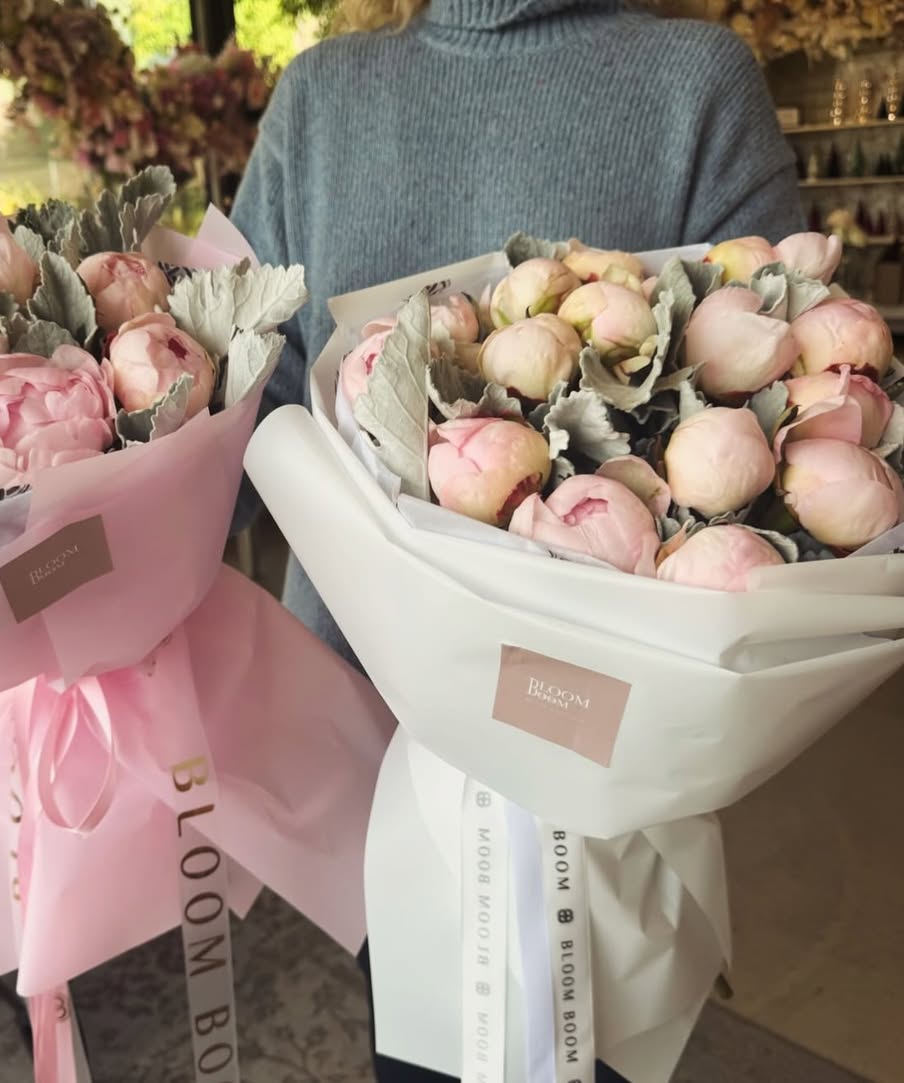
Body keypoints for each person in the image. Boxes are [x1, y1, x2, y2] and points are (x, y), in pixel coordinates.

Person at [230, 1, 803, 1080]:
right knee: (425, 1035)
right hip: (370, 725)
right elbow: (240, 413)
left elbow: (785, 408)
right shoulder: (316, 100)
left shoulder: (695, 85)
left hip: (610, 728)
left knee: (592, 1037)